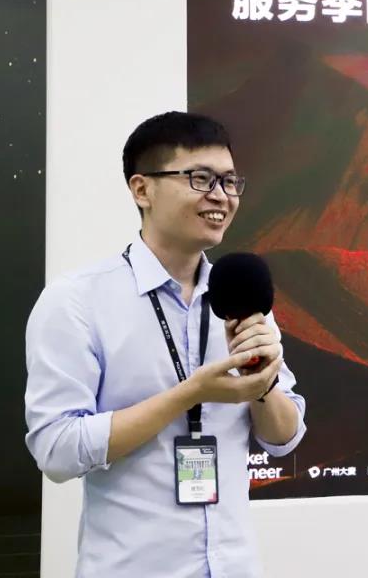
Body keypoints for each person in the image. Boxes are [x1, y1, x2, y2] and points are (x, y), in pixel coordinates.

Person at [24, 112, 306, 577]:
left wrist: (263, 384)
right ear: (142, 189)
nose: (221, 196)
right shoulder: (77, 301)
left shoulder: (239, 296)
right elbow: (56, 451)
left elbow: (284, 438)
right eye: (201, 179)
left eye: (230, 181)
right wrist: (190, 394)